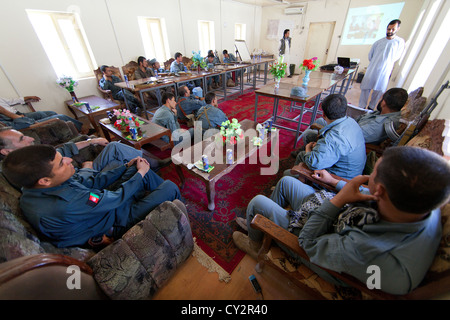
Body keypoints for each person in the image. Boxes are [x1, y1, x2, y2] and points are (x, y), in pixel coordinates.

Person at [234, 146, 450, 295]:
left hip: (318, 240)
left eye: (373, 172)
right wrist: (335, 182)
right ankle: (270, 222)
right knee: (286, 182)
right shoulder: (424, 206)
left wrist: (339, 199)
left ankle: (258, 239)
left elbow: (307, 243)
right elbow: (377, 195)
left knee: (257, 202)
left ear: (380, 190)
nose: (369, 174)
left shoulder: (363, 251)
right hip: (336, 213)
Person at [2, 144, 181, 248]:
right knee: (169, 186)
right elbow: (116, 197)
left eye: (62, 157)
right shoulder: (66, 203)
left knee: (138, 170)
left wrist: (126, 167)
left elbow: (94, 182)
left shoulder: (36, 186)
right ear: (44, 180)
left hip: (101, 208)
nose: (69, 160)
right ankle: (178, 210)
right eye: (61, 163)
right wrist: (140, 174)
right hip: (114, 222)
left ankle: (159, 201)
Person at [0, 127, 171, 172]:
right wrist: (87, 170)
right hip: (87, 179)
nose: (30, 138)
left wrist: (92, 141)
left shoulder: (30, 154)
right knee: (122, 161)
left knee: (113, 145)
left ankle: (154, 163)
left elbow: (65, 148)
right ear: (6, 152)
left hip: (86, 171)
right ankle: (152, 167)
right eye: (22, 139)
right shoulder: (27, 170)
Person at [298, 87, 408, 147]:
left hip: (346, 138)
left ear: (384, 102)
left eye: (381, 98)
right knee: (321, 120)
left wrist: (338, 122)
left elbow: (350, 136)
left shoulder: (379, 125)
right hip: (349, 128)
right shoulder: (383, 114)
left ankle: (305, 152)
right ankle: (306, 150)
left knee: (309, 133)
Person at [291, 94, 366, 180]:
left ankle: (295, 179)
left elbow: (313, 163)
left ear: (323, 114)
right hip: (352, 172)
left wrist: (308, 148)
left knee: (300, 158)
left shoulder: (333, 138)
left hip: (340, 179)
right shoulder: (351, 121)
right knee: (309, 136)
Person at [359, 20, 405, 110]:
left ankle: (371, 108)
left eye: (393, 29)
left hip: (384, 71)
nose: (390, 31)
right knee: (365, 89)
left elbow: (396, 57)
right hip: (372, 69)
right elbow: (370, 56)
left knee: (378, 91)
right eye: (388, 29)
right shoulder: (378, 42)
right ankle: (361, 107)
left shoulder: (399, 42)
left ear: (397, 29)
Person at [0, 96, 83, 131]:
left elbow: (12, 101)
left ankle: (67, 129)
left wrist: (28, 97)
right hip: (21, 121)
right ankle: (80, 128)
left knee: (50, 113)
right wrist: (7, 113)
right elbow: (16, 125)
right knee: (61, 117)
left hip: (19, 115)